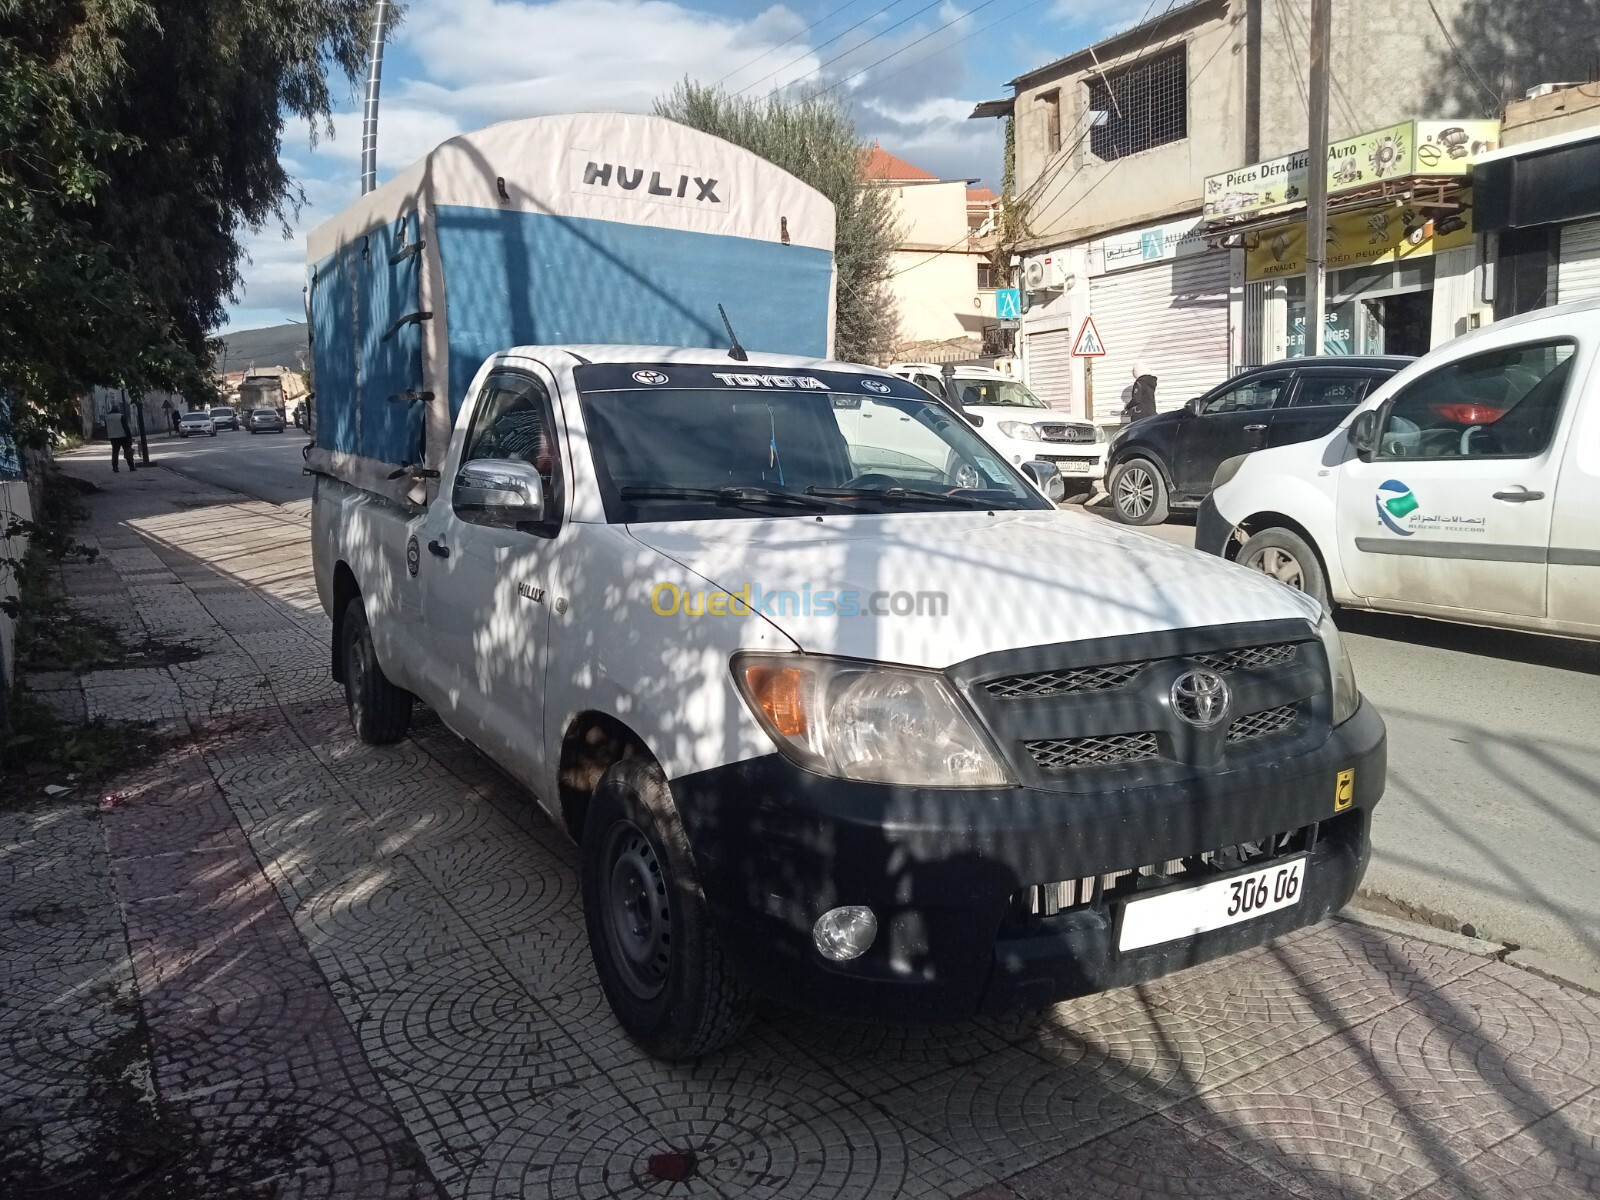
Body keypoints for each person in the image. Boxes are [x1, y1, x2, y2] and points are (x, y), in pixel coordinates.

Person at [106, 405, 136, 473]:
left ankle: (115, 467)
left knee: (115, 452)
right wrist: (129, 437)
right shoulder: (121, 416)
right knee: (128, 450)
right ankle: (131, 466)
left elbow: (106, 427)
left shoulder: (107, 417)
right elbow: (126, 427)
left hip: (112, 437)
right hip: (123, 436)